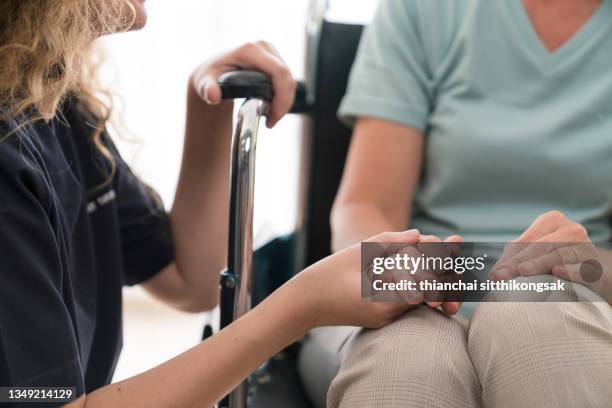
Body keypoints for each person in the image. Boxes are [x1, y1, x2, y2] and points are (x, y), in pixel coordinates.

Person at [0, 1, 427, 407]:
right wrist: (301, 306)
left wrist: (209, 103)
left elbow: (189, 279)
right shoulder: (9, 155)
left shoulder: (56, 108)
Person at [298, 0, 612, 407]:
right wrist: (389, 271)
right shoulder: (423, 10)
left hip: (580, 298)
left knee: (535, 314)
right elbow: (366, 205)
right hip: (416, 295)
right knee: (408, 359)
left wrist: (593, 270)